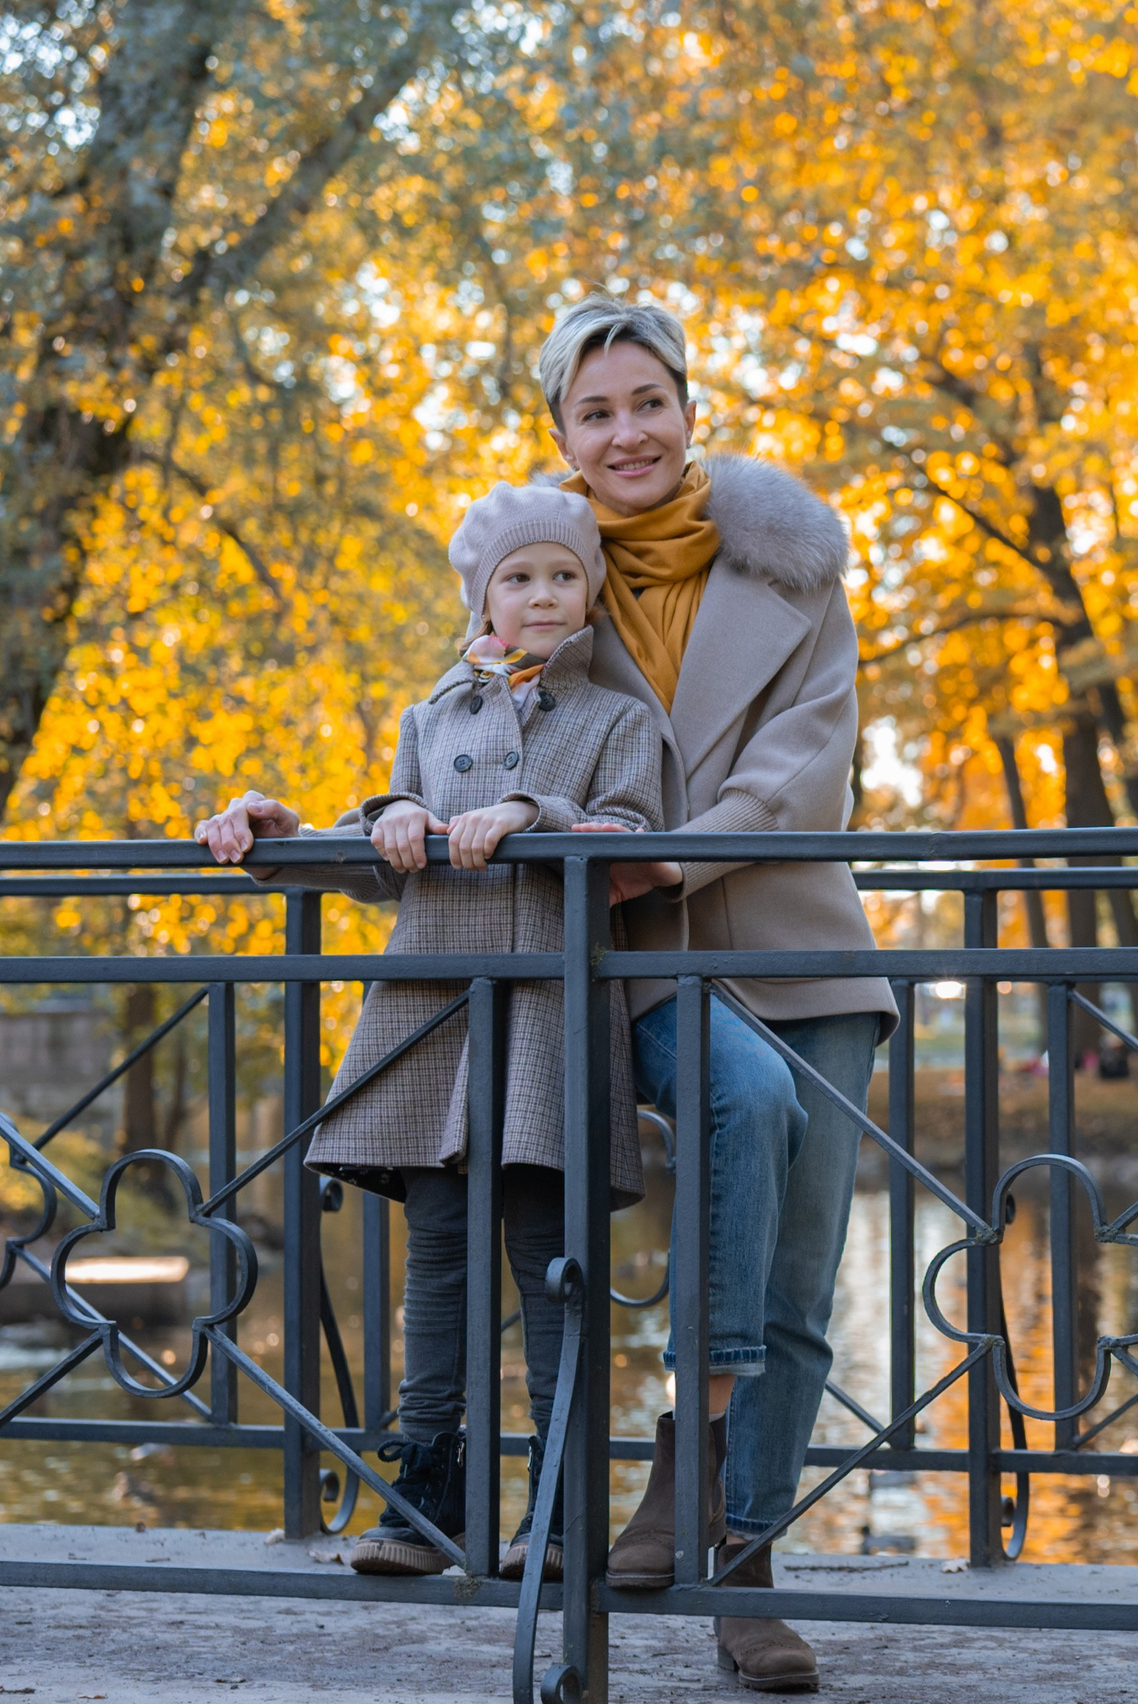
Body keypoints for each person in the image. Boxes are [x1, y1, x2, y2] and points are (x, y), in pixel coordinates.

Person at [195, 484, 669, 1581]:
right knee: (438, 1265)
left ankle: (560, 1512)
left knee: (553, 1269)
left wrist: (530, 820)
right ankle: (426, 1499)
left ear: (588, 589)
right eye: (518, 578)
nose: (542, 594)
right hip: (436, 1024)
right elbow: (376, 857)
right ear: (484, 598)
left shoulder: (616, 718)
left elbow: (642, 836)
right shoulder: (432, 715)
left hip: (548, 1019)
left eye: (562, 575)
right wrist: (320, 828)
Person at [532, 296, 896, 1695]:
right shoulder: (536, 568)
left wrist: (667, 851)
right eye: (596, 410)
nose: (626, 432)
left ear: (692, 410)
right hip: (626, 969)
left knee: (798, 1281)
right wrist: (313, 822)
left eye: (647, 403)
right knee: (595, 1247)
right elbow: (466, 736)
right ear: (562, 433)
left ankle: (741, 1558)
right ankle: (635, 1497)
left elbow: (809, 766)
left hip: (796, 945)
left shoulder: (794, 573)